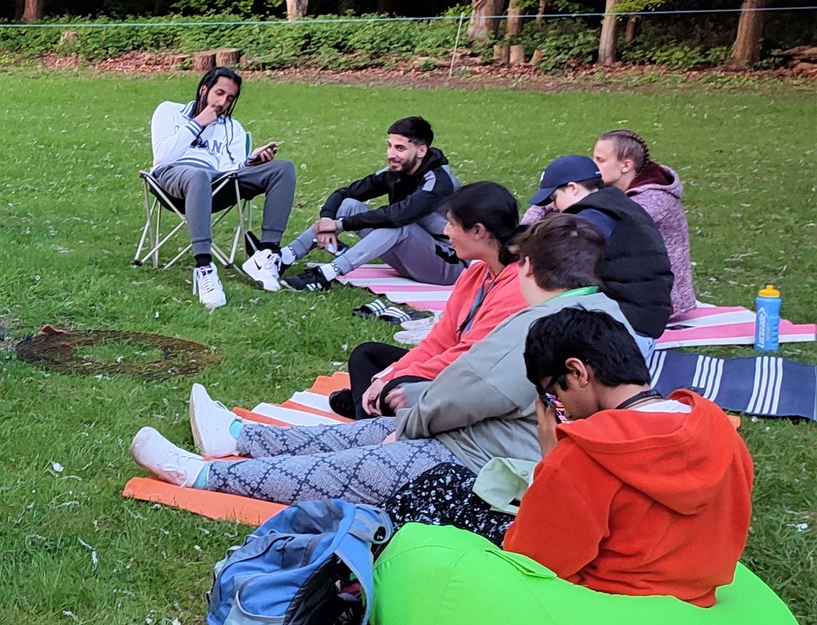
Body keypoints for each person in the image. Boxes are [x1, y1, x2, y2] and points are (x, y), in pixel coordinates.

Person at [133, 215, 649, 505]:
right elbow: (461, 370)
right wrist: (415, 402)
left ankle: (203, 476)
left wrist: (412, 419)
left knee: (348, 467)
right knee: (358, 435)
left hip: (485, 463)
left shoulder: (544, 324)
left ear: (528, 267)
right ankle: (242, 438)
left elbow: (475, 388)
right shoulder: (602, 312)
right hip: (484, 439)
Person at [506, 306, 751, 605]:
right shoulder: (724, 435)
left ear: (577, 372)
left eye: (552, 395)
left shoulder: (582, 453)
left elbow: (532, 562)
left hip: (607, 608)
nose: (560, 410)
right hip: (699, 599)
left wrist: (548, 464)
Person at [329, 181, 529, 418]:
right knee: (367, 356)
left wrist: (398, 378)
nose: (446, 232)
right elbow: (439, 340)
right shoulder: (477, 274)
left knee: (396, 388)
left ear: (478, 231)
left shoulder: (517, 285)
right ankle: (368, 407)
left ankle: (366, 417)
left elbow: (469, 358)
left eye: (452, 224)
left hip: (476, 382)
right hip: (454, 369)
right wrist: (388, 374)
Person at [147, 66, 298, 309]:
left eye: (229, 98)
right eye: (219, 93)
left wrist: (250, 162)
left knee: (283, 168)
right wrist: (198, 123)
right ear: (203, 89)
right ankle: (204, 268)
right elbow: (163, 157)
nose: (222, 102)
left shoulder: (231, 128)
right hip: (172, 178)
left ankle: (265, 255)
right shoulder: (169, 111)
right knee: (198, 176)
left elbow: (231, 169)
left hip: (217, 183)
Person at [277, 116, 461, 290]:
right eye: (389, 146)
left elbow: (397, 216)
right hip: (410, 256)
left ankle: (325, 275)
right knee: (348, 205)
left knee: (398, 225)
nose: (391, 154)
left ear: (422, 151)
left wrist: (340, 224)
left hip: (447, 265)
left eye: (400, 148)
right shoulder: (397, 171)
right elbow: (344, 192)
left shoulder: (439, 182)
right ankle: (285, 257)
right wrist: (327, 221)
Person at [528, 154, 674, 339]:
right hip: (642, 320)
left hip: (624, 328)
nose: (555, 207)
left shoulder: (593, 216)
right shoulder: (618, 206)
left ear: (572, 188)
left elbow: (566, 259)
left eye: (554, 198)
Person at [594, 130, 698, 319]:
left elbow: (601, 227)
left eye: (600, 160)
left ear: (626, 165)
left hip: (662, 301)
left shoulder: (655, 200)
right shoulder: (610, 187)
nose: (593, 166)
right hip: (632, 286)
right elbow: (547, 202)